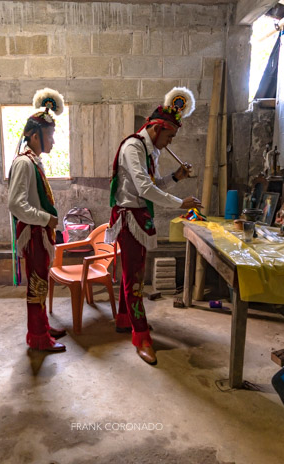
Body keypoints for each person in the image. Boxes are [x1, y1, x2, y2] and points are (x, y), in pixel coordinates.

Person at [108, 87, 202, 365]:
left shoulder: (151, 151)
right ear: (157, 128)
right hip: (129, 219)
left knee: (132, 274)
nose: (170, 142)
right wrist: (178, 203)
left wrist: (176, 176)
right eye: (169, 136)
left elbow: (154, 185)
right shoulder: (133, 147)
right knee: (134, 278)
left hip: (139, 217)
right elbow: (144, 187)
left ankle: (125, 320)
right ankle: (141, 336)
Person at [8, 88, 67, 353]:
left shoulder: (34, 161)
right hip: (33, 232)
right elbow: (16, 204)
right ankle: (38, 336)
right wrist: (46, 219)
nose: (53, 141)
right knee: (37, 284)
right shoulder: (24, 162)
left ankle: (42, 325)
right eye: (50, 136)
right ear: (34, 135)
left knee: (41, 281)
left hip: (39, 231)